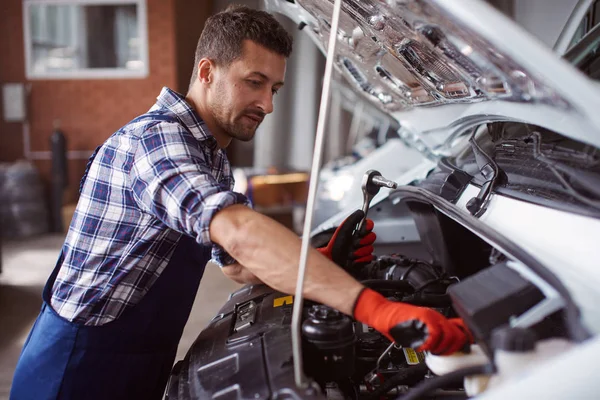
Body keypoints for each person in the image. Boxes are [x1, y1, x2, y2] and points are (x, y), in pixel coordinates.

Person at [10, 5, 471, 400]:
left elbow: (235, 264)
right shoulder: (155, 143)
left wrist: (317, 262)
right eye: (254, 82)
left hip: (140, 360)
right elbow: (240, 233)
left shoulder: (210, 158)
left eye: (275, 89)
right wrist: (376, 308)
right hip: (76, 368)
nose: (267, 105)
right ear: (207, 72)